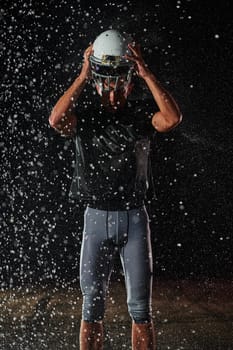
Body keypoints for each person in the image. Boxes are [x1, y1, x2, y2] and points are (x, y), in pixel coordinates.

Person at [49, 29, 182, 350]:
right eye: (106, 87)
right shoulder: (88, 116)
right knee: (92, 308)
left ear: (129, 83)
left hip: (135, 219)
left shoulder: (137, 114)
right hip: (95, 218)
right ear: (97, 83)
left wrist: (147, 72)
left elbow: (172, 119)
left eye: (119, 88)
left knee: (140, 310)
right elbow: (56, 120)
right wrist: (82, 75)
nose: (112, 96)